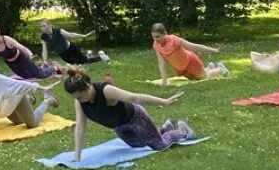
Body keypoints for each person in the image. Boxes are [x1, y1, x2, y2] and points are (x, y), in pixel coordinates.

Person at [63, 69, 194, 162]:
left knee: (160, 145)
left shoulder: (106, 91)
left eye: (80, 96)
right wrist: (77, 155)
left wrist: (164, 101)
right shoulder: (79, 102)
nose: (79, 100)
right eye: (76, 98)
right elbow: (80, 128)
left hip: (136, 118)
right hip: (119, 126)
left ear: (87, 86)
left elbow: (134, 97)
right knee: (138, 145)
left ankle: (183, 131)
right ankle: (164, 129)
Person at [151, 23, 229, 83]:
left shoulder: (174, 40)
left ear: (165, 33)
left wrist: (213, 50)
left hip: (190, 61)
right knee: (194, 79)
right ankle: (210, 68)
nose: (156, 39)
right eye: (153, 37)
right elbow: (161, 62)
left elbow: (194, 46)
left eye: (158, 36)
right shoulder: (156, 45)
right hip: (179, 67)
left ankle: (220, 69)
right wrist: (164, 81)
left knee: (205, 78)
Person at [38, 19, 110, 66]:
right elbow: (44, 50)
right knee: (74, 64)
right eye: (41, 26)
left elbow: (71, 35)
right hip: (63, 54)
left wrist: (84, 36)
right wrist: (45, 61)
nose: (42, 28)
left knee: (83, 62)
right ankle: (90, 55)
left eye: (44, 26)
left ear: (49, 25)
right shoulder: (44, 36)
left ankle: (102, 57)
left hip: (71, 49)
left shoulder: (57, 30)